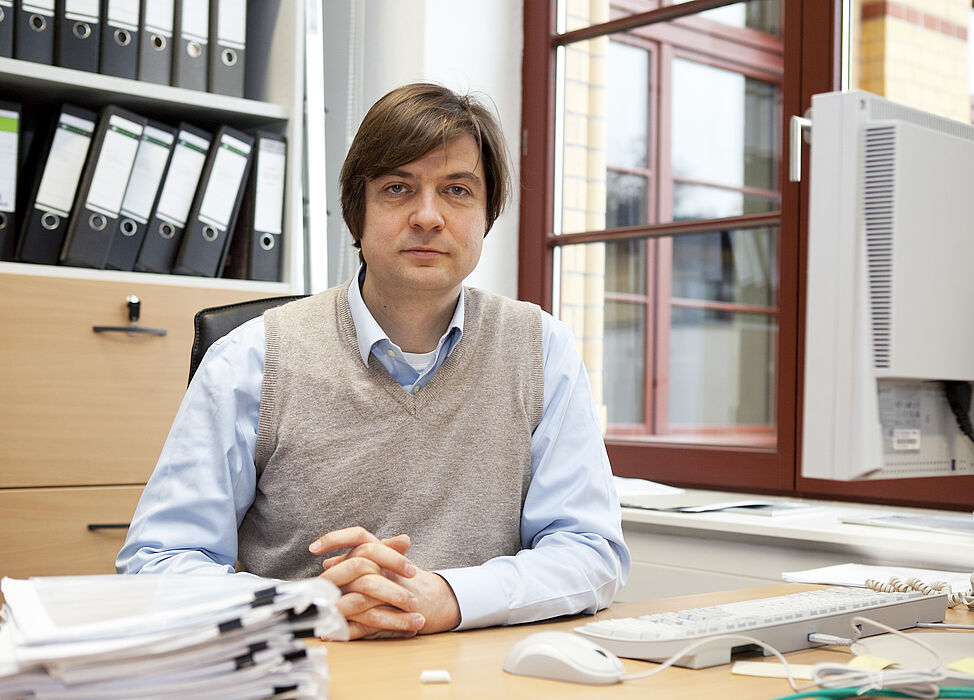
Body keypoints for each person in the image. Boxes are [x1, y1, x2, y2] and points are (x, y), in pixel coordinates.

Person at [117, 82, 630, 639]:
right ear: (357, 214)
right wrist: (307, 603)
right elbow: (159, 561)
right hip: (303, 669)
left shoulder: (541, 350)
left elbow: (589, 549)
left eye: (457, 190)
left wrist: (449, 596)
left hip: (478, 673)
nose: (428, 216)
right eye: (397, 188)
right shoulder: (251, 358)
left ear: (487, 216)